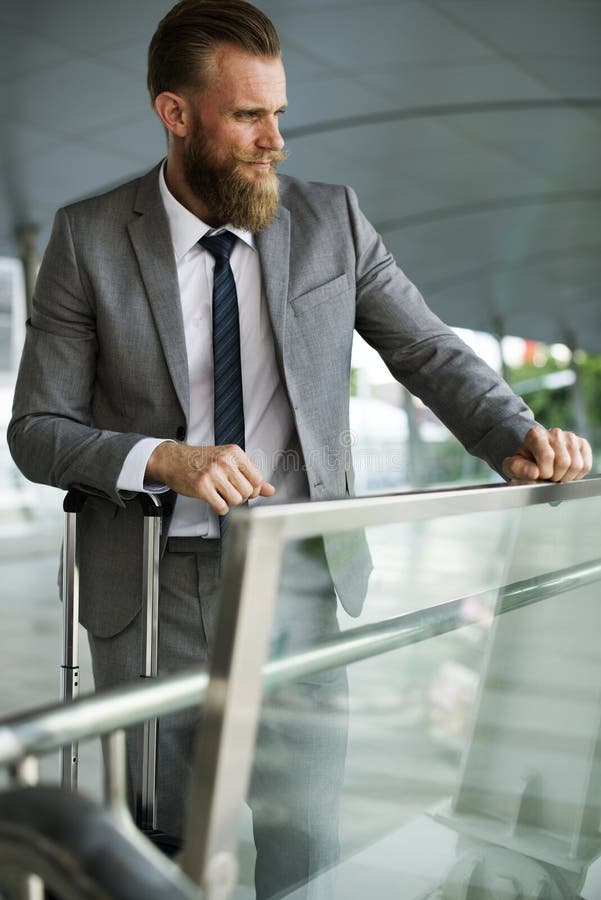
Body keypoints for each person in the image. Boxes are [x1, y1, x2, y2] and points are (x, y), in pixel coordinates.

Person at [8, 0, 592, 897]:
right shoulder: (89, 238)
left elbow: (427, 349)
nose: (274, 139)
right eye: (248, 115)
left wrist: (515, 436)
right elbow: (37, 432)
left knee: (307, 840)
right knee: (159, 838)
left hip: (303, 580)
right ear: (175, 113)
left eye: (279, 112)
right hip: (153, 586)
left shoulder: (333, 221)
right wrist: (166, 458)